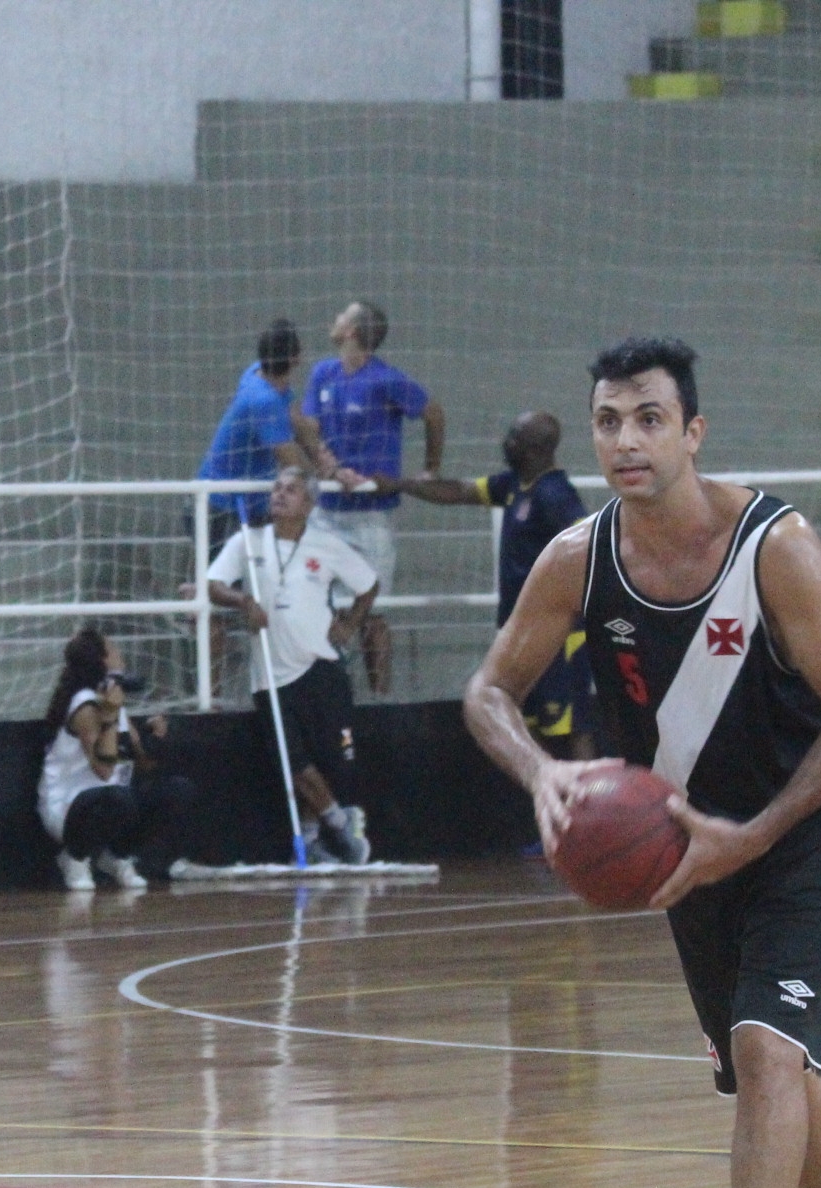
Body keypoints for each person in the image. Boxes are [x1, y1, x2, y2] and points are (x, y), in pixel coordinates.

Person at [462, 336, 821, 1188]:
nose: (626, 441)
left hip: (797, 829)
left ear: (693, 431)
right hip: (685, 851)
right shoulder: (579, 558)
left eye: (648, 419)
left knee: (770, 1049)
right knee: (783, 1071)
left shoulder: (773, 545)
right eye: (609, 421)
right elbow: (487, 692)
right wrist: (541, 774)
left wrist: (756, 833)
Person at [393, 410, 597, 759]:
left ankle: (593, 806)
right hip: (522, 630)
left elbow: (588, 546)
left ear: (534, 448)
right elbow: (460, 491)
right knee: (535, 726)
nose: (506, 442)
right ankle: (554, 803)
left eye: (513, 437)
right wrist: (400, 484)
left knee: (573, 725)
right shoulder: (514, 485)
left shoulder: (555, 495)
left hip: (557, 636)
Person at [205, 465, 379, 864]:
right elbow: (214, 584)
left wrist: (351, 622)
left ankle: (315, 837)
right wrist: (244, 602)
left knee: (328, 761)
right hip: (271, 674)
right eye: (277, 488)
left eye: (292, 490)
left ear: (309, 503)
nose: (280, 495)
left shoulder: (326, 545)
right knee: (295, 764)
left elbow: (368, 584)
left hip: (319, 666)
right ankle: (340, 821)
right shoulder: (248, 542)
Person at [292, 300, 443, 694]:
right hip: (326, 515)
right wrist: (326, 463)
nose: (334, 317)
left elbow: (433, 413)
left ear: (352, 331)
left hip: (370, 518)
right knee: (317, 605)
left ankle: (381, 698)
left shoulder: (385, 380)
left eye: (341, 314)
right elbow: (307, 426)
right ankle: (324, 693)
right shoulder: (323, 373)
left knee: (374, 613)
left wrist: (429, 470)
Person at [37, 627, 196, 890]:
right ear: (101, 661)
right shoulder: (84, 707)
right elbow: (104, 770)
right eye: (113, 650)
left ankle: (117, 855)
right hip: (70, 807)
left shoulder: (115, 700)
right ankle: (75, 859)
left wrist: (156, 739)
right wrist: (109, 716)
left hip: (114, 801)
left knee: (176, 791)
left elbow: (143, 762)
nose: (121, 655)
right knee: (116, 796)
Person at [196, 318, 319, 545]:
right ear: (296, 359)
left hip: (241, 504)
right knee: (221, 579)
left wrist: (325, 458)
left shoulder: (256, 372)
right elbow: (292, 464)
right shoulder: (265, 402)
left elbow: (296, 419)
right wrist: (322, 484)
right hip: (222, 509)